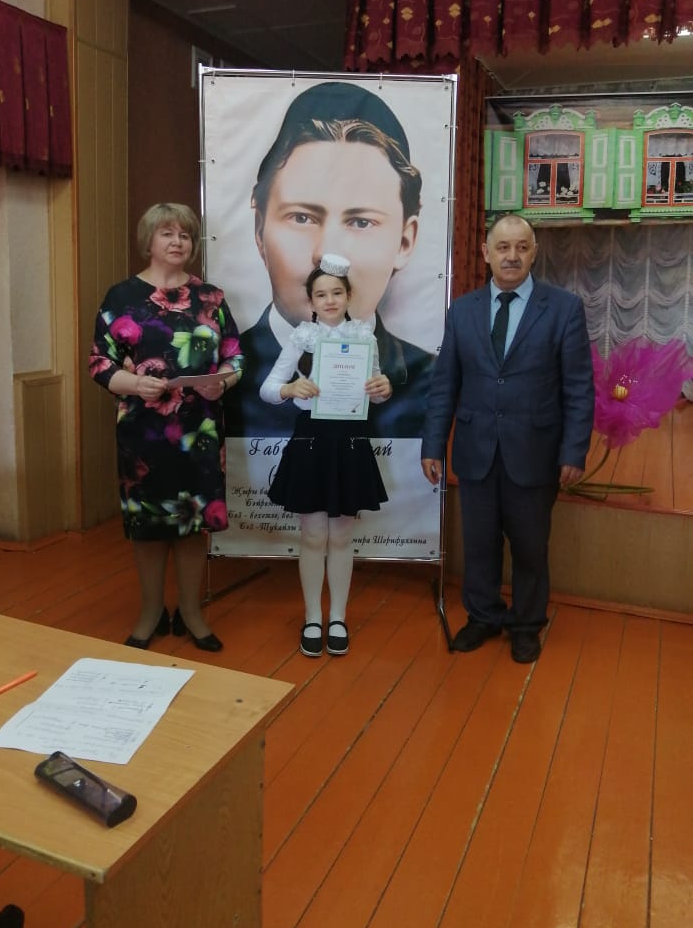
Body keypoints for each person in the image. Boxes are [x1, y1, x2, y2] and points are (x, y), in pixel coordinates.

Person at [420, 213, 594, 663]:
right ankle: (483, 616)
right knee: (479, 544)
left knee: (530, 546)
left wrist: (574, 450)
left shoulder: (563, 309)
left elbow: (578, 387)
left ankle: (526, 624)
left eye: (521, 247)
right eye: (502, 247)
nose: (511, 256)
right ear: (486, 253)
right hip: (476, 449)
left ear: (534, 252)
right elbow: (445, 384)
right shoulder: (462, 311)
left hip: (535, 452)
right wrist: (433, 444)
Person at [224, 80, 434, 440]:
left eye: (361, 222)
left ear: (404, 241)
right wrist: (288, 388)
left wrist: (381, 388)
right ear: (259, 229)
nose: (327, 253)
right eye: (302, 217)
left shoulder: (425, 377)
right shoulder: (231, 372)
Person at [89, 203, 244, 652]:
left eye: (185, 235)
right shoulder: (121, 296)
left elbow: (234, 356)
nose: (177, 242)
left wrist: (222, 382)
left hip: (200, 431)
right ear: (149, 241)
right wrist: (136, 384)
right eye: (167, 233)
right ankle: (151, 612)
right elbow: (99, 363)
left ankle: (191, 613)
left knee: (194, 522)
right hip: (142, 432)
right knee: (148, 524)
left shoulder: (211, 297)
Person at [261, 254, 392, 656]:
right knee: (314, 535)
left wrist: (383, 388)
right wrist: (289, 390)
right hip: (312, 441)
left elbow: (376, 392)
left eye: (337, 293)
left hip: (349, 440)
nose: (330, 300)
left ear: (348, 296)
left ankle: (338, 616)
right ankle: (312, 617)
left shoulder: (365, 337)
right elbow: (268, 388)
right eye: (322, 294)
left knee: (342, 535)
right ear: (312, 301)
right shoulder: (302, 338)